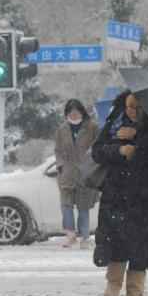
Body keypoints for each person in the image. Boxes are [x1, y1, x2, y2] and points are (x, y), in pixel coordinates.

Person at [91, 90, 148, 296]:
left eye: (137, 108)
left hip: (147, 194)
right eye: (129, 106)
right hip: (117, 192)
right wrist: (119, 149)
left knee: (142, 245)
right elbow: (97, 152)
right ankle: (113, 284)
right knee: (116, 238)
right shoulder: (114, 124)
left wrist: (136, 144)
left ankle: (135, 294)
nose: (132, 111)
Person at [54, 99, 99, 248]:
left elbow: (98, 146)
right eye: (70, 113)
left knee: (83, 207)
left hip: (85, 173)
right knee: (66, 206)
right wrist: (60, 165)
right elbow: (58, 150)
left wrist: (91, 163)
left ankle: (84, 237)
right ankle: (70, 235)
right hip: (67, 173)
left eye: (76, 112)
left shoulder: (92, 127)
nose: (73, 116)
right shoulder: (62, 129)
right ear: (67, 114)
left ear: (82, 112)